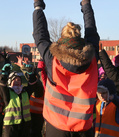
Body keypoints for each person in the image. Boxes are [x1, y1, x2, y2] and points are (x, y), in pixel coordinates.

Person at [33, 0, 100, 136]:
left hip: (56, 126)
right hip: (83, 126)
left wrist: (38, 7)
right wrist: (86, 4)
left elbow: (40, 36)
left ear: (62, 38)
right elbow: (92, 31)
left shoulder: (52, 58)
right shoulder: (91, 56)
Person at [0, 55, 44, 137]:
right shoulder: (8, 92)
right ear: (10, 82)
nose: (17, 81)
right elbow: (1, 86)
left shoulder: (24, 92)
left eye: (19, 80)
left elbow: (32, 85)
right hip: (11, 126)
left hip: (25, 124)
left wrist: (30, 73)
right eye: (14, 80)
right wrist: (3, 74)